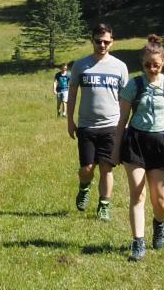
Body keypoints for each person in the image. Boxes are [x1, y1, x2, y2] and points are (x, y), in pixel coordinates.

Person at [113, 34, 164, 262]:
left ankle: (159, 224)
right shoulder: (134, 85)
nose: (151, 69)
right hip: (135, 143)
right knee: (137, 194)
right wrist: (116, 149)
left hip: (160, 145)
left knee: (160, 201)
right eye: (147, 65)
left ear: (163, 62)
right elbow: (122, 120)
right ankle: (138, 243)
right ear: (142, 64)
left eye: (155, 65)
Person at [66, 23, 129, 221]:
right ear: (91, 40)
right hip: (87, 126)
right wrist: (70, 120)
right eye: (98, 41)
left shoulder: (120, 67)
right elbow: (73, 93)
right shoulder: (80, 65)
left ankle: (104, 205)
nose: (102, 45)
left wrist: (124, 125)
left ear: (112, 42)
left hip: (111, 126)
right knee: (87, 169)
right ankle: (84, 187)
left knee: (106, 168)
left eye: (106, 42)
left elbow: (125, 99)